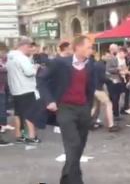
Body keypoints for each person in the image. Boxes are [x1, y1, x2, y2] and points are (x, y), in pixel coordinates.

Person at [37, 36, 95, 184]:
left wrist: (89, 108)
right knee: (73, 144)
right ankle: (76, 180)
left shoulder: (90, 66)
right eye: (88, 47)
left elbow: (89, 88)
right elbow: (42, 79)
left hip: (83, 108)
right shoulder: (60, 63)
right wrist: (49, 100)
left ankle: (66, 179)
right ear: (78, 47)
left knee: (79, 147)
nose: (91, 50)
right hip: (65, 108)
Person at [6, 36, 40, 144]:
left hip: (15, 89)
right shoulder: (22, 58)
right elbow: (29, 72)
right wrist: (36, 67)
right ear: (24, 46)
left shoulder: (10, 57)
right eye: (29, 47)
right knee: (30, 113)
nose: (30, 49)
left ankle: (18, 135)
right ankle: (31, 136)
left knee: (18, 113)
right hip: (26, 88)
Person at [92, 54, 119, 132]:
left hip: (93, 88)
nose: (109, 58)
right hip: (98, 88)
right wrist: (111, 80)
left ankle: (87, 123)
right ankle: (111, 125)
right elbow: (102, 77)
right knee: (108, 104)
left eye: (110, 57)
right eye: (107, 56)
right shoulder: (101, 65)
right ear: (103, 55)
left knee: (94, 106)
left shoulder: (97, 64)